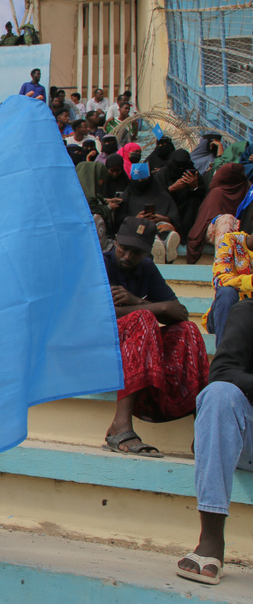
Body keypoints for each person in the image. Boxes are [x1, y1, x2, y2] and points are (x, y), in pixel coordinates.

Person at [103, 217, 209, 458]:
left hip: (135, 345)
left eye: (136, 252)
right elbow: (101, 314)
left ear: (147, 252)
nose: (128, 257)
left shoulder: (146, 268)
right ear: (115, 241)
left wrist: (138, 301)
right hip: (95, 346)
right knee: (143, 319)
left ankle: (203, 431)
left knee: (189, 330)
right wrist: (154, 309)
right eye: (123, 248)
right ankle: (120, 425)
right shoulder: (100, 264)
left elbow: (179, 313)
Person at [175, 299, 253, 585]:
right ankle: (210, 541)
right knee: (219, 394)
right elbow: (222, 372)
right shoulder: (247, 313)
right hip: (248, 438)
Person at [187, 163, 248, 265]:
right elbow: (204, 223)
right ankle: (223, 265)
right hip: (213, 231)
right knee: (227, 219)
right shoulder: (217, 192)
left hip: (239, 233)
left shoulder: (245, 191)